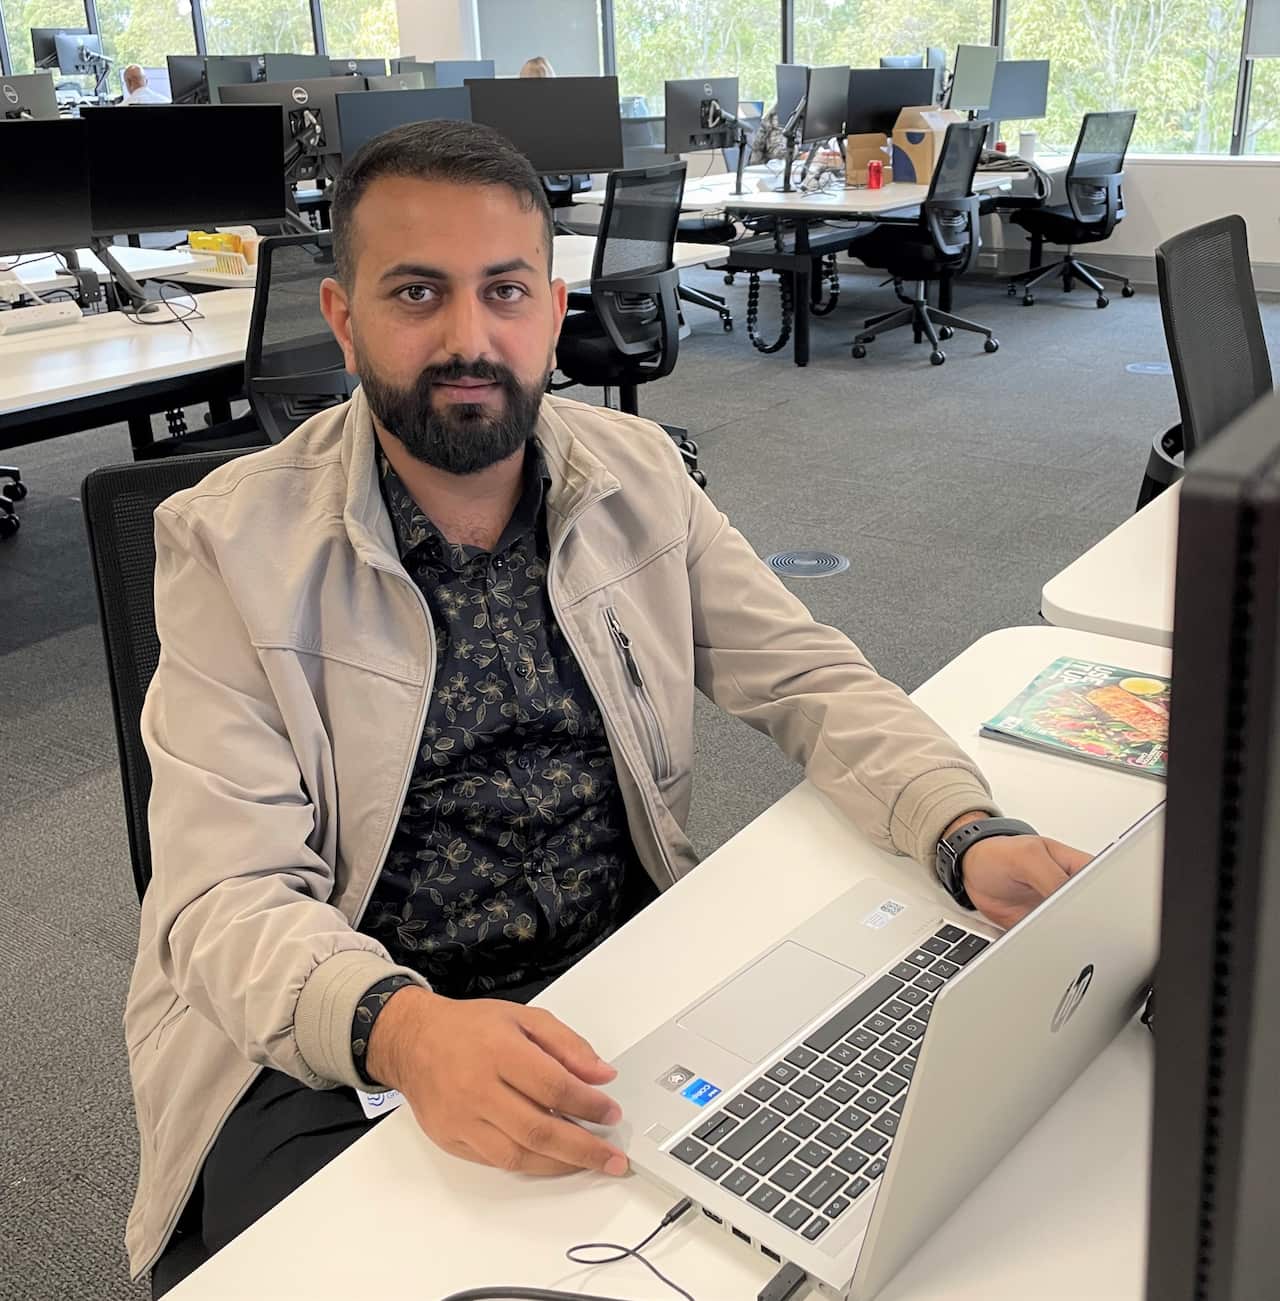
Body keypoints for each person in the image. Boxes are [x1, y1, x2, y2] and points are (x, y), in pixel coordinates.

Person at [128, 118, 1091, 1289]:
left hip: (612, 964)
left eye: (504, 291)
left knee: (869, 1198)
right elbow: (221, 894)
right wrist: (401, 1025)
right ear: (343, 319)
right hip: (337, 1028)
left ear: (551, 309)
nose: (468, 338)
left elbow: (806, 675)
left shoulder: (636, 472)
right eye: (417, 293)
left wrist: (960, 825)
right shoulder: (228, 543)